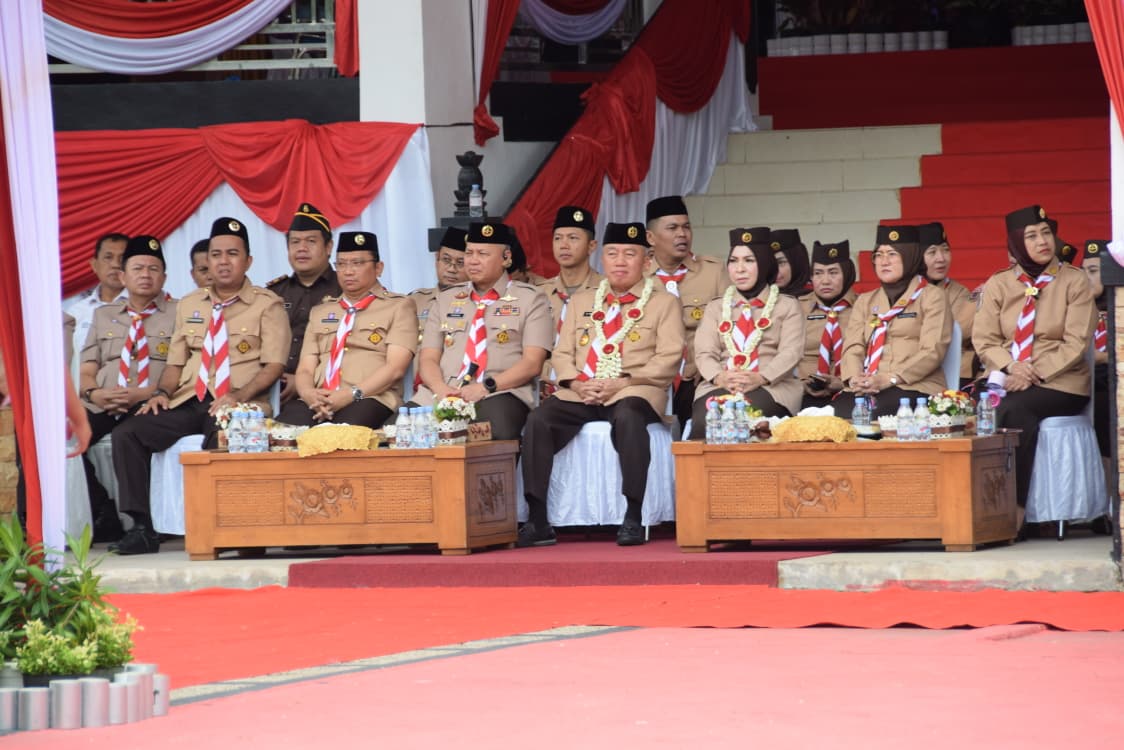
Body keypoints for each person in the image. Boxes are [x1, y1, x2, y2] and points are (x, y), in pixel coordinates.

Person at [110, 217, 290, 555]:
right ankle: (143, 528)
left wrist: (237, 396)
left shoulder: (268, 304)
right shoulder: (190, 304)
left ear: (248, 261)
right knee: (128, 433)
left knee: (220, 438)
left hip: (239, 402)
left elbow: (274, 366)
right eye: (216, 254)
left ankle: (233, 530)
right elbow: (175, 364)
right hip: (189, 399)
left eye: (232, 254)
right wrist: (161, 394)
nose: (223, 262)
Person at [521, 222, 684, 547]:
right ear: (603, 259)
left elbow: (669, 356)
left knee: (629, 417)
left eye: (629, 254)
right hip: (583, 390)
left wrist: (624, 383)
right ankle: (538, 519)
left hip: (633, 389)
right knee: (539, 420)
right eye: (612, 254)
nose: (620, 261)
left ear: (646, 262)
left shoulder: (663, 302)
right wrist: (575, 383)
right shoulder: (582, 301)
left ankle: (633, 515)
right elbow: (562, 352)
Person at [973, 205, 1095, 516]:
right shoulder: (1000, 283)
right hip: (1008, 374)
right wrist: (1012, 367)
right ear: (1016, 243)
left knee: (1013, 409)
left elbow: (1076, 342)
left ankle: (1013, 508)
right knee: (976, 406)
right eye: (1031, 236)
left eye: (1046, 233)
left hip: (1061, 382)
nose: (1042, 241)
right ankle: (976, 506)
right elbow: (984, 339)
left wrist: (1031, 373)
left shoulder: (1074, 281)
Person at [77, 235, 178, 541]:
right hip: (104, 401)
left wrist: (144, 394)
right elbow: (87, 368)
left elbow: (184, 369)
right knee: (62, 437)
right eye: (137, 268)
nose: (145, 275)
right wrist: (95, 394)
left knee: (128, 436)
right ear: (123, 276)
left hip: (152, 401)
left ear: (164, 277)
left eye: (153, 269)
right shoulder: (103, 315)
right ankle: (102, 511)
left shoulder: (180, 313)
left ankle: (141, 524)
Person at [413, 221, 551, 440]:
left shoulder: (530, 298)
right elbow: (428, 357)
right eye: (469, 253)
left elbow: (532, 363)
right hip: (444, 391)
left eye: (483, 254)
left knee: (490, 432)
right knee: (397, 432)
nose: (473, 260)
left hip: (500, 392)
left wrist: (485, 387)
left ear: (506, 258)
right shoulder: (446, 299)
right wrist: (441, 390)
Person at [278, 231, 416, 428]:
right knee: (281, 434)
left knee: (343, 436)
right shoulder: (320, 311)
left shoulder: (398, 306)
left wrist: (351, 394)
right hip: (320, 399)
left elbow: (395, 369)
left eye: (357, 263)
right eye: (341, 264)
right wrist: (309, 394)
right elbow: (306, 368)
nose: (348, 271)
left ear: (378, 268)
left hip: (370, 397)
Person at [690, 229, 805, 437]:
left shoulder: (787, 306)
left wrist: (761, 377)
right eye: (733, 261)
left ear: (765, 263)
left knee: (744, 418)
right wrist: (720, 377)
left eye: (749, 260)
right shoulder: (716, 307)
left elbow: (791, 352)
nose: (740, 269)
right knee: (705, 420)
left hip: (771, 388)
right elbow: (704, 353)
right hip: (721, 385)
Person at [837, 224, 952, 419]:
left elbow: (932, 350)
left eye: (892, 254)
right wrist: (855, 377)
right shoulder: (865, 300)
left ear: (909, 257)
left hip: (914, 385)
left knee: (876, 413)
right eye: (879, 255)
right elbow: (853, 346)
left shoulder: (932, 296)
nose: (884, 262)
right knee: (837, 413)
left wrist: (889, 378)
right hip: (869, 386)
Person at [644, 195, 724, 429]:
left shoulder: (714, 272)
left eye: (686, 227)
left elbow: (730, 326)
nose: (682, 234)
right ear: (651, 238)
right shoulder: (637, 276)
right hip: (653, 378)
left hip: (699, 375)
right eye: (672, 228)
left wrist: (709, 366)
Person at [266, 203, 341, 404]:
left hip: (326, 391)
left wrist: (301, 382)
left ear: (328, 247)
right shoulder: (273, 294)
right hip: (273, 390)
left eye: (311, 241)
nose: (302, 248)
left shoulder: (345, 290)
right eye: (295, 242)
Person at [537, 205, 603, 396]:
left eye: (573, 238)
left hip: (589, 384)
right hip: (541, 383)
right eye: (558, 238)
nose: (564, 245)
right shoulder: (539, 294)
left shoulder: (607, 292)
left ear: (592, 246)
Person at [798, 239, 858, 410]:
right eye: (818, 273)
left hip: (850, 389)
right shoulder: (797, 307)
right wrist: (800, 384)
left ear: (847, 274)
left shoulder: (863, 307)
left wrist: (844, 383)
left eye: (833, 273)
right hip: (804, 390)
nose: (825, 281)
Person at [65, 232, 128, 381]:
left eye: (122, 258)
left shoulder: (143, 308)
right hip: (81, 390)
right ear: (94, 265)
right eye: (108, 257)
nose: (116, 264)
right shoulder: (75, 313)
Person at [920, 222, 977, 386]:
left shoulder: (960, 293)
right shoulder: (906, 293)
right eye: (932, 252)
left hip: (952, 373)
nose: (941, 258)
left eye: (945, 250)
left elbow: (957, 334)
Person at [408, 226, 469, 341]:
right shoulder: (415, 301)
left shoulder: (477, 303)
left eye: (460, 263)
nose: (451, 269)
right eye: (446, 260)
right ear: (437, 259)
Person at [1082, 239, 1111, 458]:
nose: (1085, 278)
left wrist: (1104, 357)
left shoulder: (1119, 308)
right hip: (1082, 379)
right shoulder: (1076, 310)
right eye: (1082, 271)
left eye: (1092, 271)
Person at [770, 228, 812, 297]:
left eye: (781, 262)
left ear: (797, 263)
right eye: (769, 263)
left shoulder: (817, 298)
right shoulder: (760, 297)